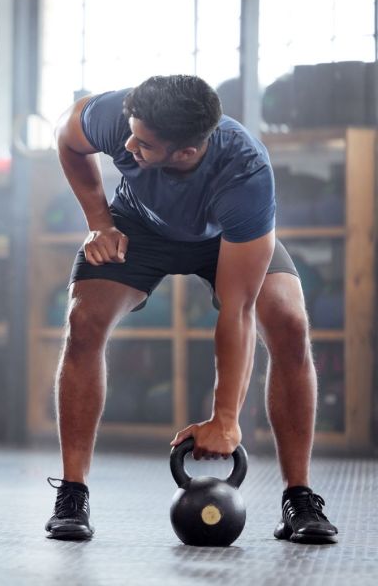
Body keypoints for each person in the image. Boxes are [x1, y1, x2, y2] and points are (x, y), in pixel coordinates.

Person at [45, 75, 338, 544]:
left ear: (184, 152)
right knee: (83, 320)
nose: (127, 145)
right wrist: (99, 222)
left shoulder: (245, 173)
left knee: (288, 322)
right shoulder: (122, 114)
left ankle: (299, 497)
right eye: (130, 132)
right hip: (136, 226)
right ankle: (72, 496)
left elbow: (237, 309)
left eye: (143, 144)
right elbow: (67, 136)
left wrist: (225, 419)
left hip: (224, 239)